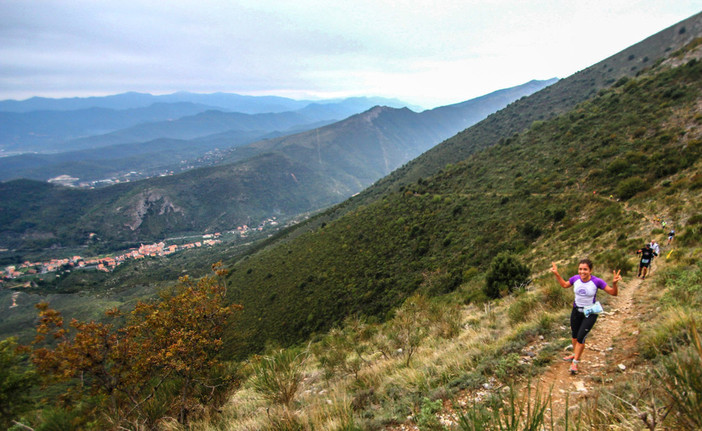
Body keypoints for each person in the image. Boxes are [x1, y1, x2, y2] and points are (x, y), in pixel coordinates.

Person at [550, 259, 621, 374]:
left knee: (581, 337)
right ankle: (575, 354)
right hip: (576, 311)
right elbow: (564, 285)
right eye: (580, 269)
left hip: (590, 313)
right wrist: (556, 274)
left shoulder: (597, 281)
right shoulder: (575, 279)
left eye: (585, 269)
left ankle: (575, 363)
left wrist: (614, 284)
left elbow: (613, 293)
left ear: (590, 270)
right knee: (574, 337)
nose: (582, 272)